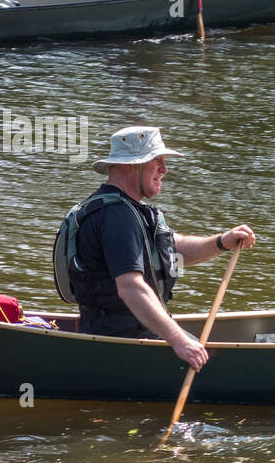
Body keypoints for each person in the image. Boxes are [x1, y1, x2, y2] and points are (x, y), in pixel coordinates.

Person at [65, 126, 255, 370]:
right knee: (222, 365)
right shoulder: (116, 216)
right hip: (123, 342)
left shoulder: (125, 209)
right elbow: (130, 287)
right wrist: (178, 340)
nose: (164, 170)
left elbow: (172, 248)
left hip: (128, 333)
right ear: (130, 166)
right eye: (157, 162)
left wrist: (222, 242)